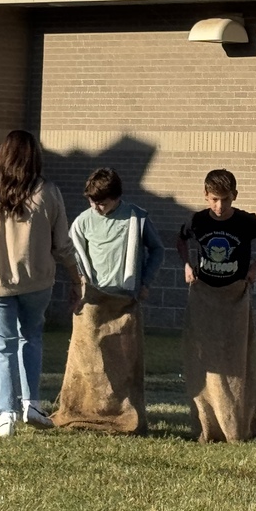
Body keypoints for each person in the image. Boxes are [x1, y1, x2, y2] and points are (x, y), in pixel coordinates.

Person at [0, 130, 80, 437]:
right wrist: (77, 277)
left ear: (3, 155)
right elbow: (63, 243)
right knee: (31, 338)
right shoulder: (48, 191)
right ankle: (32, 405)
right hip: (37, 280)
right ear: (34, 157)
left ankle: (5, 415)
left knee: (2, 346)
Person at [52, 168, 165, 434]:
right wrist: (78, 285)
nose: (97, 207)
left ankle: (122, 412)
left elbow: (157, 249)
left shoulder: (136, 218)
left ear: (117, 198)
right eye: (92, 201)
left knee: (123, 360)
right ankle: (85, 409)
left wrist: (145, 282)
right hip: (93, 300)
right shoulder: (82, 222)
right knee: (88, 358)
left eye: (102, 202)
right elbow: (75, 257)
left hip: (125, 300)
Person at [176, 168, 256, 442]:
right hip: (205, 298)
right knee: (206, 361)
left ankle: (238, 423)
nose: (219, 206)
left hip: (235, 298)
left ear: (235, 196)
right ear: (205, 196)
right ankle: (208, 422)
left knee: (236, 360)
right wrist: (187, 265)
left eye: (225, 199)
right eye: (213, 199)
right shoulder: (198, 220)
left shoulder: (245, 222)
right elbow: (180, 239)